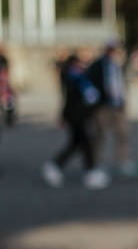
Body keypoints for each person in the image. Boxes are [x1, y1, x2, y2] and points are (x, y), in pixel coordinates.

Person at [42, 52, 106, 188]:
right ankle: (89, 171)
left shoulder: (77, 76)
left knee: (77, 143)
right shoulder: (72, 77)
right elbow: (69, 100)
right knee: (85, 143)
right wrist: (63, 117)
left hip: (79, 116)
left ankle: (56, 165)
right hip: (77, 117)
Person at [87, 39, 135, 177]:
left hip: (117, 105)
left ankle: (123, 161)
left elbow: (120, 84)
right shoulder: (97, 65)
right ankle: (98, 163)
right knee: (100, 136)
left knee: (123, 133)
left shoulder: (118, 64)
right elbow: (91, 86)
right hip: (103, 106)